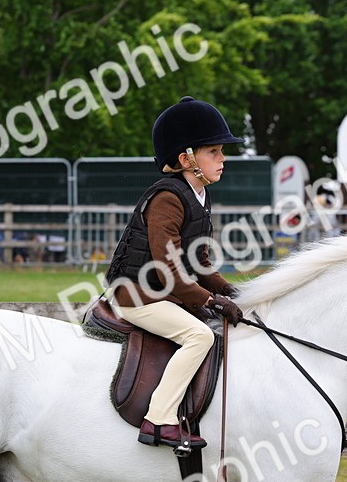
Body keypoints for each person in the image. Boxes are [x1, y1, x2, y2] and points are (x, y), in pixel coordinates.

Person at [104, 96, 244, 450]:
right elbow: (169, 268)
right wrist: (211, 299)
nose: (223, 158)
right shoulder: (168, 198)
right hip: (139, 296)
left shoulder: (199, 195)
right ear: (187, 159)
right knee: (200, 337)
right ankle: (159, 419)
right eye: (214, 151)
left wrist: (232, 290)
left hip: (164, 292)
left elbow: (198, 263)